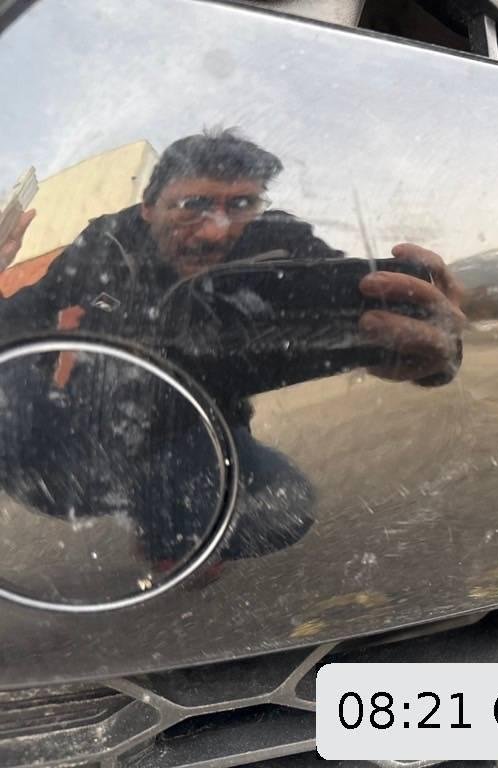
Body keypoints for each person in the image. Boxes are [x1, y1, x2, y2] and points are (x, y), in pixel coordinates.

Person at [0, 129, 465, 573]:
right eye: (192, 205)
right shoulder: (108, 242)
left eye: (241, 205)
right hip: (95, 423)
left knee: (282, 509)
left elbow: (363, 304)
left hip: (201, 428)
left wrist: (432, 350)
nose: (215, 233)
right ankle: (157, 511)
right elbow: (22, 320)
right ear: (148, 207)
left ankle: (165, 529)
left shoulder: (281, 239)